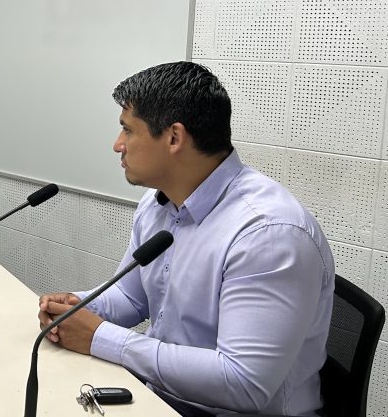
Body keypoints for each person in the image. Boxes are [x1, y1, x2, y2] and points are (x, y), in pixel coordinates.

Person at [37, 61, 334, 416]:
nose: (118, 145)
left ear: (174, 138)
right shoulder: (158, 203)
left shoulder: (268, 234)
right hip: (161, 397)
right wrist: (78, 307)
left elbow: (243, 384)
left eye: (128, 130)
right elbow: (131, 297)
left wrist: (100, 337)